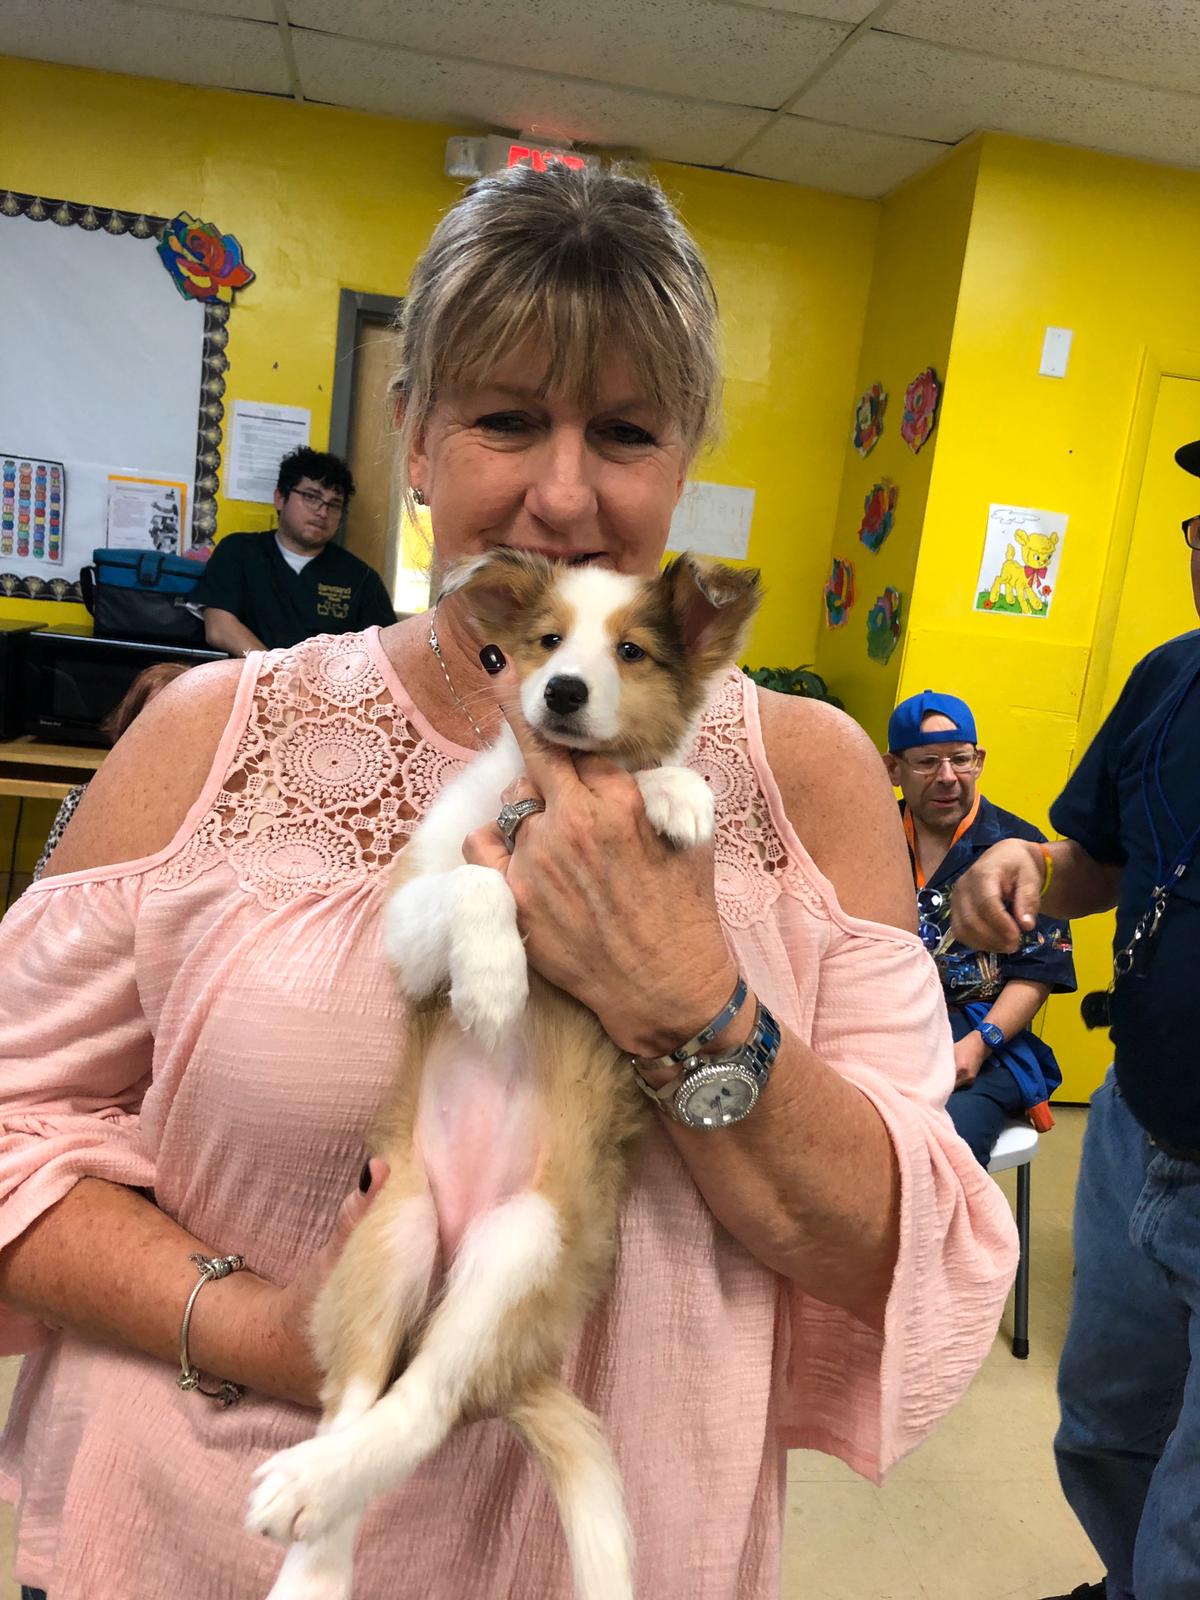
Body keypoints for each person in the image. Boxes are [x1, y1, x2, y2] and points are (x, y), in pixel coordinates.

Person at [0, 164, 1017, 1600]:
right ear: (414, 437)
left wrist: (689, 998)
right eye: (506, 418)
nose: (564, 492)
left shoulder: (812, 775)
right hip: (211, 1539)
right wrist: (268, 1329)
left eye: (626, 430)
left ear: (684, 460)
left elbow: (905, 1245)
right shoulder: (212, 737)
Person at [952, 438, 1200, 1600]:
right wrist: (1024, 866)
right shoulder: (1171, 679)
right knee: (1104, 1431)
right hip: (1134, 1132)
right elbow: (1095, 860)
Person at [883, 690, 1075, 1165]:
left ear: (979, 760)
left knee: (943, 1147)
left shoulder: (1020, 847)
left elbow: (1038, 972)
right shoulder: (869, 837)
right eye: (927, 762)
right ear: (893, 769)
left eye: (960, 759)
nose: (947, 777)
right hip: (881, 1028)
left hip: (979, 1035)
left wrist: (978, 1045)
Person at [190, 447, 396, 654]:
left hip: (327, 675)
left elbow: (384, 650)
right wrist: (276, 669)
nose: (323, 512)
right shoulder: (239, 551)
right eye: (311, 497)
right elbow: (219, 628)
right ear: (280, 498)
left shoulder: (361, 578)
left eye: (334, 505)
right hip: (248, 672)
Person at [31, 661, 189, 880]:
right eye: (151, 721)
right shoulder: (84, 800)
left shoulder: (214, 814)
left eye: (176, 722)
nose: (162, 736)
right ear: (128, 728)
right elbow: (44, 886)